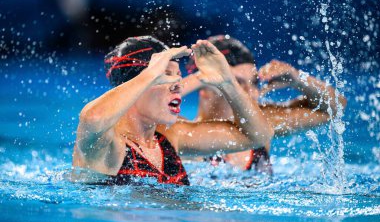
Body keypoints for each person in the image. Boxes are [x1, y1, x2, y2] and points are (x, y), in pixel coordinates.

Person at [72, 36, 274, 185]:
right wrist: (151, 73)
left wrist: (228, 82)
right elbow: (92, 117)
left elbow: (257, 136)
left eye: (177, 76)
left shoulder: (171, 136)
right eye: (165, 76)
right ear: (137, 83)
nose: (178, 84)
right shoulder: (107, 145)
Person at [183, 35, 347, 173]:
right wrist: (196, 79)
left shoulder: (263, 122)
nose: (252, 92)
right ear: (204, 89)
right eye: (237, 82)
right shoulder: (183, 136)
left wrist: (298, 80)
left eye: (254, 83)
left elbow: (334, 109)